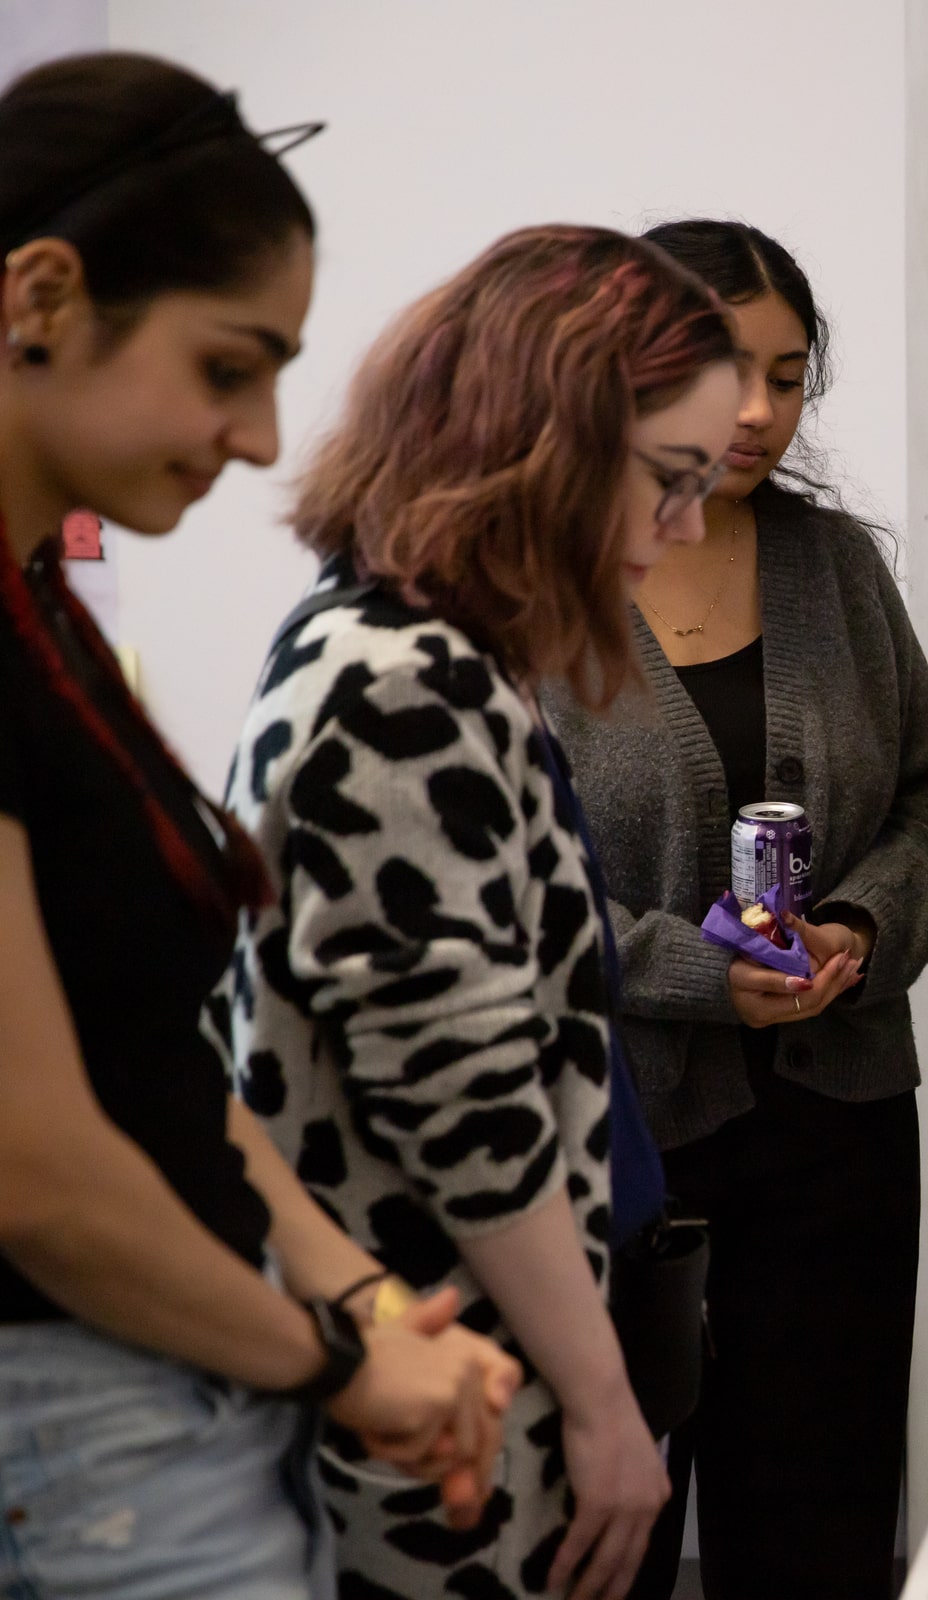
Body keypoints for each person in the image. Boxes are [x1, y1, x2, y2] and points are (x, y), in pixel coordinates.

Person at [0, 52, 517, 1600]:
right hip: (83, 1412)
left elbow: (150, 1059)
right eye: (229, 367)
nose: (259, 435)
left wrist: (358, 1305)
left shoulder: (44, 618)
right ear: (40, 294)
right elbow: (35, 1170)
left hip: (172, 1382)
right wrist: (337, 1360)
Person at [220, 224, 741, 1600]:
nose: (683, 529)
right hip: (451, 1372)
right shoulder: (406, 682)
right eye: (670, 482)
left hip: (460, 1348)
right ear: (546, 438)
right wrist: (606, 1401)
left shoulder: (422, 653)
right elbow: (467, 1111)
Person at [551, 219, 928, 1600]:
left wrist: (856, 925)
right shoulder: (534, 590)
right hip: (620, 1144)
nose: (758, 413)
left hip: (839, 1126)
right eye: (726, 369)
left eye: (788, 377)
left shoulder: (833, 565)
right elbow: (503, 896)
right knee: (594, 1539)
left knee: (822, 1530)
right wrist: (688, 973)